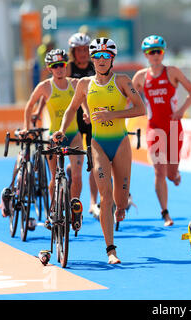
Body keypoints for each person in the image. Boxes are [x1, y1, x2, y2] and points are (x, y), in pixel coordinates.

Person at [52, 37, 146, 264]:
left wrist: (111, 115)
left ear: (112, 59)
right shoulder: (84, 84)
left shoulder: (122, 80)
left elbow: (140, 108)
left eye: (106, 56)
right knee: (105, 196)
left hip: (121, 144)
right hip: (98, 145)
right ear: (93, 59)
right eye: (98, 56)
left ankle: (121, 209)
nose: (101, 60)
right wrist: (62, 131)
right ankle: (111, 250)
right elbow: (71, 109)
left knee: (120, 201)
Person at [132, 35, 191, 227]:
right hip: (154, 128)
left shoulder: (172, 72)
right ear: (145, 54)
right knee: (159, 171)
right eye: (151, 52)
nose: (155, 55)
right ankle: (165, 213)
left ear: (163, 53)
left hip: (173, 126)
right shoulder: (141, 77)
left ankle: (175, 175)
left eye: (158, 51)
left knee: (170, 173)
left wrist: (181, 110)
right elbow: (128, 97)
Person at [20, 49, 84, 223]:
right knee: (55, 177)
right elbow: (29, 106)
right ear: (49, 68)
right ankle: (53, 211)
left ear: (66, 65)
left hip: (74, 135)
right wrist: (27, 127)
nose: (59, 69)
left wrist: (86, 113)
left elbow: (85, 103)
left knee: (77, 176)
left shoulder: (76, 84)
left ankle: (73, 210)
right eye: (55, 66)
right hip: (54, 137)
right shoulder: (45, 86)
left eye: (62, 65)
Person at [66, 32, 101, 218]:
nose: (83, 53)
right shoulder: (68, 68)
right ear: (73, 52)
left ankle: (93, 202)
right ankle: (72, 170)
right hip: (74, 120)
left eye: (86, 49)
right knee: (77, 161)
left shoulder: (95, 67)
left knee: (94, 162)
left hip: (92, 119)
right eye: (78, 50)